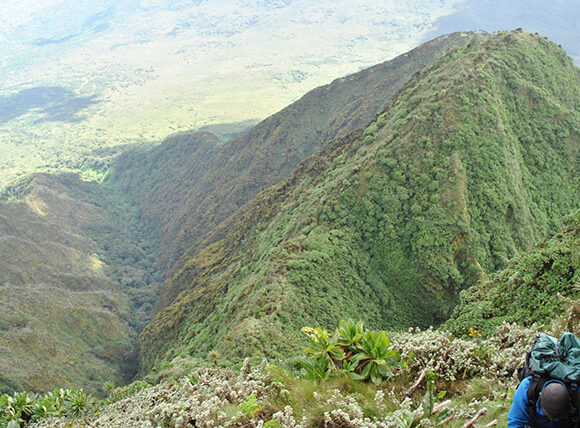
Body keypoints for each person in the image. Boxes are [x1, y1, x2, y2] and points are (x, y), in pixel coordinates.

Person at [508, 376, 577, 427]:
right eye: (547, 415)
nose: (552, 419)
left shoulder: (576, 395)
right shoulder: (527, 388)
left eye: (557, 417)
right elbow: (516, 422)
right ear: (540, 396)